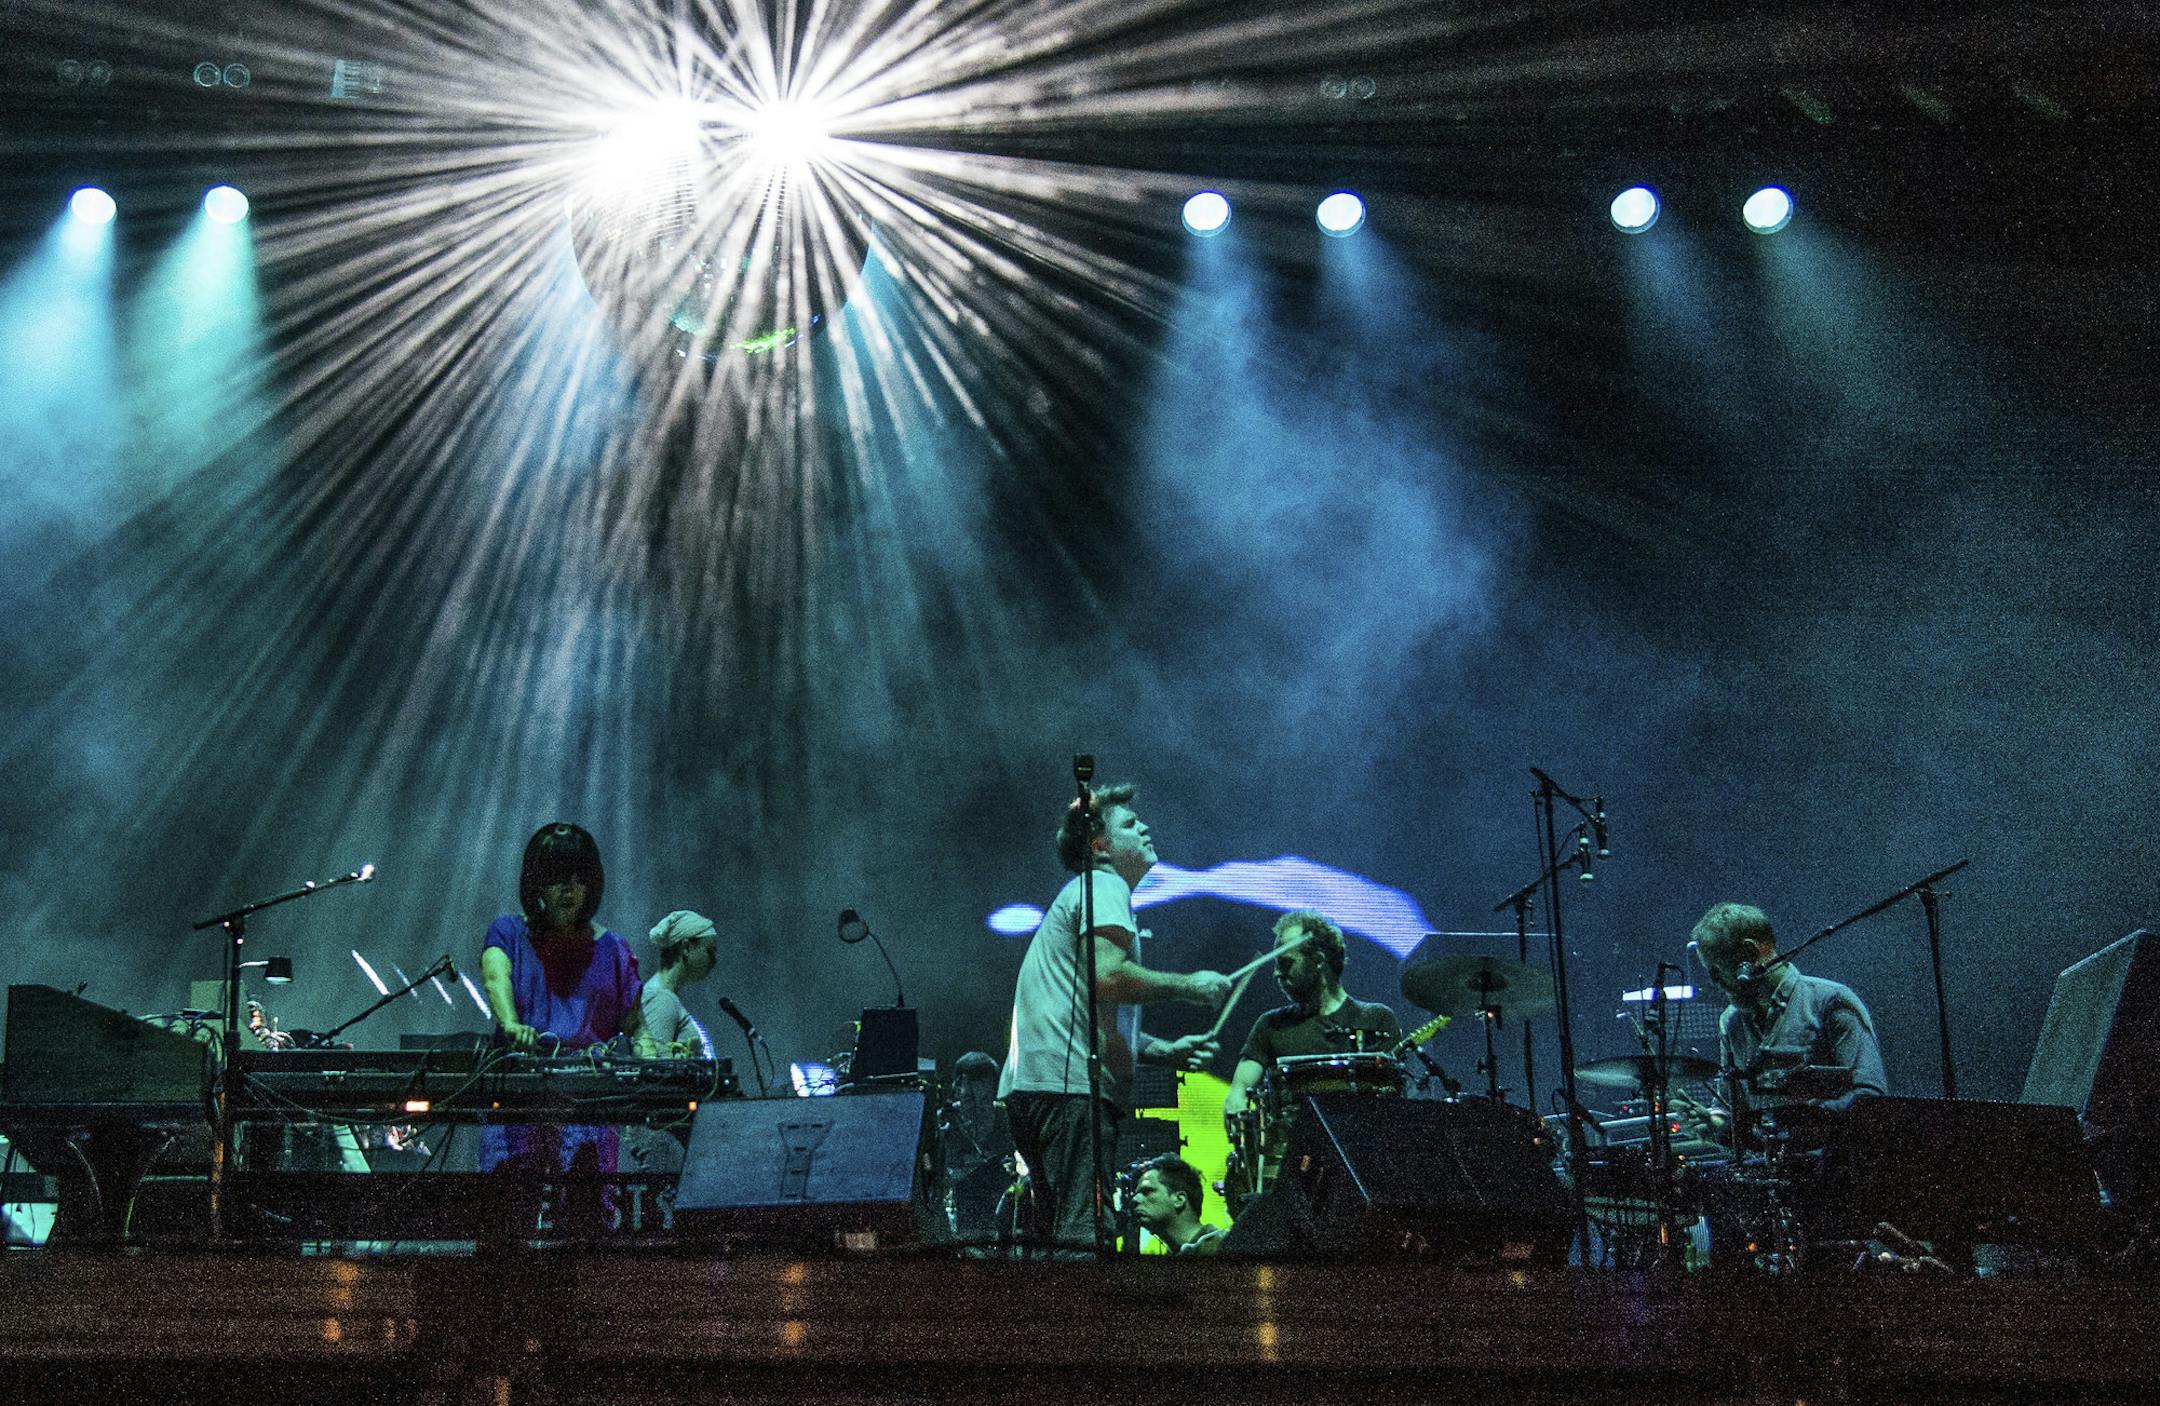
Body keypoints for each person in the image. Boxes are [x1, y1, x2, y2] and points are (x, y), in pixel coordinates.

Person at [997, 781, 1231, 1256]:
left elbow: (1083, 1003)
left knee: (1058, 1233)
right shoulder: (1104, 884)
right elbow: (1106, 976)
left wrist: (1163, 1051)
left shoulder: (1083, 893)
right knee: (1084, 1237)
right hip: (1070, 1090)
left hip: (1039, 1087)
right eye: (1129, 823)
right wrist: (1189, 986)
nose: (1144, 827)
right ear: (1100, 846)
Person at [477, 822, 645, 1176]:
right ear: (537, 883)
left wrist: (659, 1056)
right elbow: (495, 976)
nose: (569, 888)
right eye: (557, 878)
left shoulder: (614, 948)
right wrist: (511, 1025)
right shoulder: (508, 932)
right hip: (519, 1095)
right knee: (511, 1197)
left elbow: (636, 1026)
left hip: (590, 1101)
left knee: (588, 1201)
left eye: (579, 879)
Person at [1687, 901, 1888, 1138]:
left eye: (1716, 969)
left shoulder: (1830, 1001)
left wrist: (1798, 1123)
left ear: (1750, 954)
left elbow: (1870, 1096)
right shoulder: (1731, 1022)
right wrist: (1715, 1123)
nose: (1714, 980)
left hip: (1834, 1158)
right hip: (1772, 1161)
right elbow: (1731, 1108)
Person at [1221, 909, 1403, 1128]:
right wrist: (1236, 1103)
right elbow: (1239, 1090)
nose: (1276, 973)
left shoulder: (1376, 1018)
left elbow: (1394, 1097)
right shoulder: (1271, 1025)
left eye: (1286, 963)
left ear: (1317, 960)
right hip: (1292, 1145)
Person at [636, 910, 718, 1059]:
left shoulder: (666, 998)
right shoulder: (661, 1000)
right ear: (686, 947)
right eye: (710, 951)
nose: (714, 960)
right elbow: (653, 1065)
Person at [1130, 1155, 1224, 1256]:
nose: (1135, 1199)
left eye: (1147, 1191)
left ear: (1179, 1199)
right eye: (1136, 1194)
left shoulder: (1224, 1248)